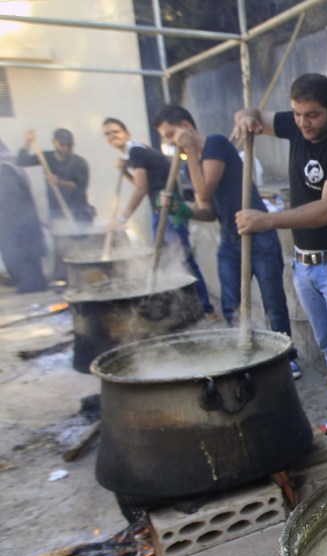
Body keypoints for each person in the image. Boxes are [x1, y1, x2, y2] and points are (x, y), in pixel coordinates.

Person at [231, 73, 327, 466]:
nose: (303, 122)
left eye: (313, 115)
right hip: (306, 266)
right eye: (298, 114)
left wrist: (265, 220)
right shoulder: (296, 125)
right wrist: (244, 117)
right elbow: (256, 116)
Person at [152, 104, 302, 379]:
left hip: (259, 235)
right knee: (231, 304)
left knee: (273, 303)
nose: (172, 142)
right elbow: (208, 210)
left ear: (186, 126)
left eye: (171, 134)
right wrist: (181, 210)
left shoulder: (216, 145)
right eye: (167, 138)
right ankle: (242, 357)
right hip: (230, 240)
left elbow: (204, 188)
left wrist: (189, 155)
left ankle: (288, 359)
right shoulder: (192, 162)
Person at [101, 117, 214, 315]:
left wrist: (121, 219)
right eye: (108, 134)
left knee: (182, 259)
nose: (112, 137)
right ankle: (185, 307)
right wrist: (126, 171)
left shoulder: (136, 151)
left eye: (116, 132)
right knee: (170, 260)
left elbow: (141, 189)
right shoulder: (136, 152)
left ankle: (205, 309)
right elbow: (143, 185)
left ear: (127, 133)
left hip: (170, 212)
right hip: (161, 210)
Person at [16, 128, 95, 224]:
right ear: (54, 142)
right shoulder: (46, 157)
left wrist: (60, 182)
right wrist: (27, 141)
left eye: (69, 145)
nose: (65, 148)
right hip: (55, 211)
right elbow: (21, 161)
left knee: (78, 237)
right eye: (62, 144)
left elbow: (80, 188)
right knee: (56, 237)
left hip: (78, 211)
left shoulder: (80, 163)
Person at [0, 138, 48, 293]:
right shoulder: (11, 166)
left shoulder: (4, 170)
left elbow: (9, 200)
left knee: (23, 258)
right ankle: (33, 284)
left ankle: (30, 287)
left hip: (15, 225)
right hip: (23, 223)